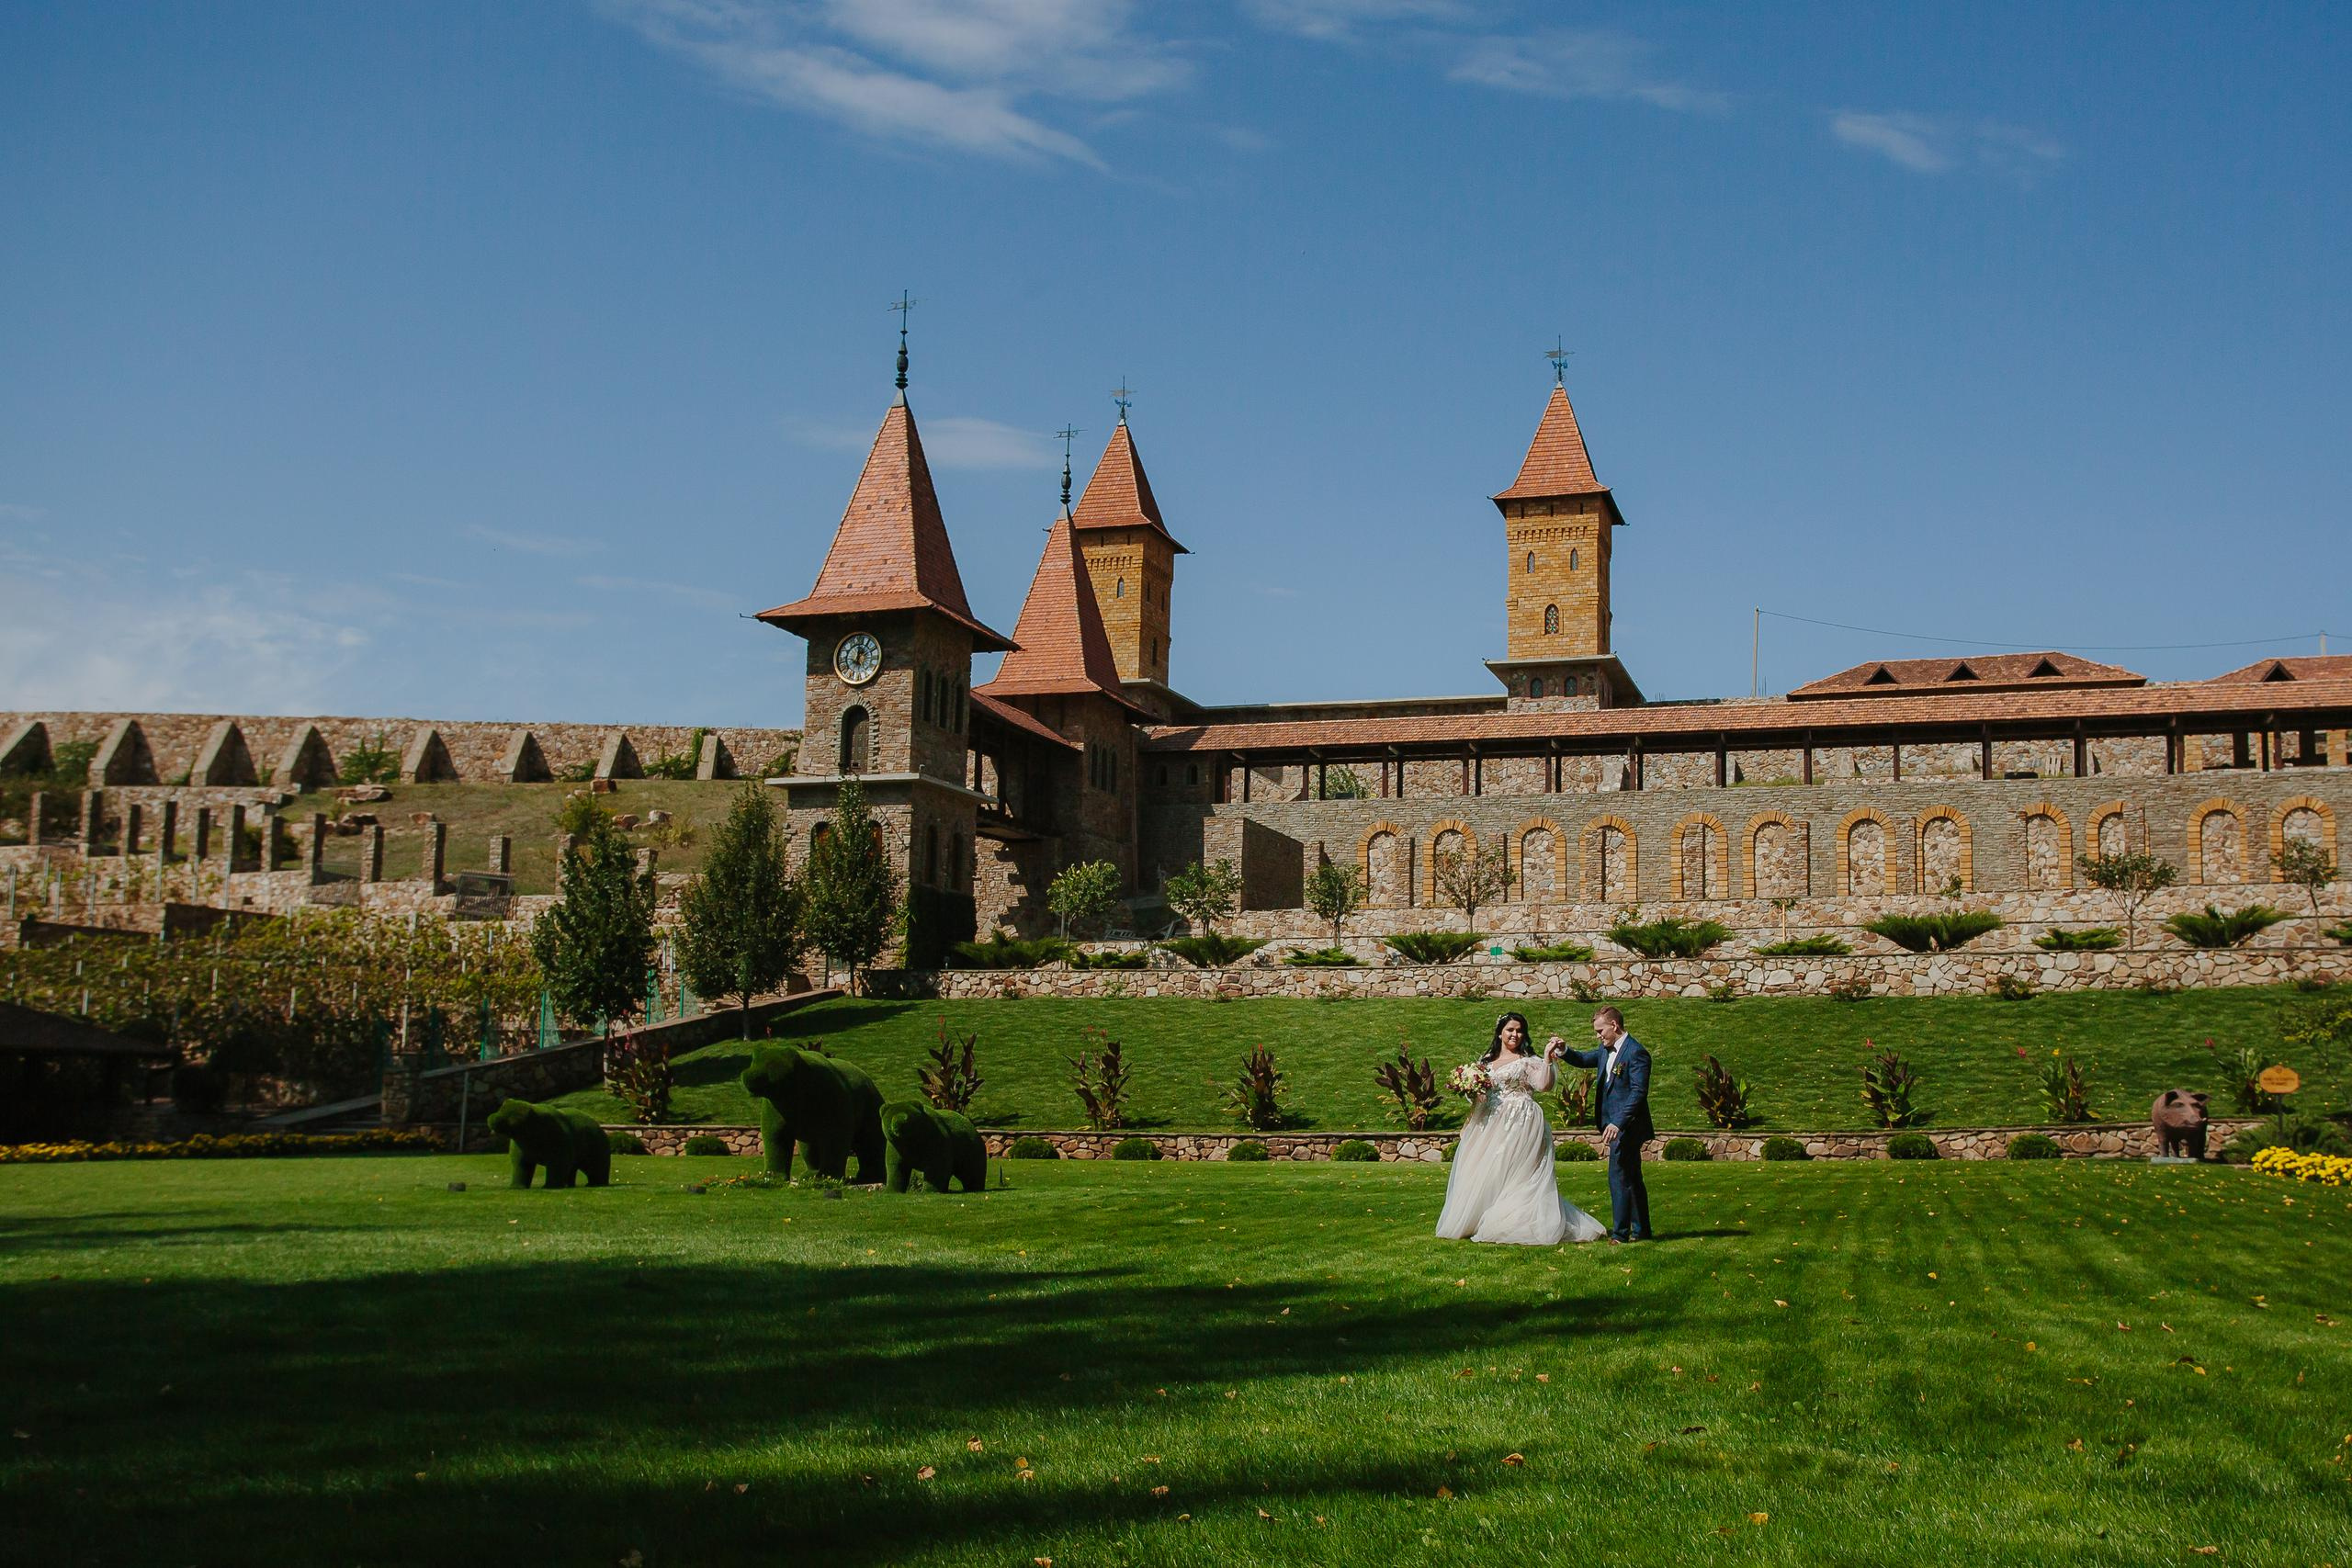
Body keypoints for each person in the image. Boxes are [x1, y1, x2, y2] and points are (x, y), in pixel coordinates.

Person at [1435, 1012, 1608, 1246]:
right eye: (1510, 1030)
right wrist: (1470, 1114)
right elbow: (1481, 1099)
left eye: (1519, 1030)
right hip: (1491, 1121)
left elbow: (1544, 1086)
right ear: (1500, 1033)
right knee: (1491, 1168)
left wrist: (1547, 1058)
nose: (1515, 1034)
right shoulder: (1485, 1062)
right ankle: (1480, 1217)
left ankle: (1514, 1220)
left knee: (1518, 1171)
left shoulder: (1529, 1060)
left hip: (1521, 1120)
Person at [1548, 1006, 1653, 1242]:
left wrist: (1617, 1123)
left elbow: (1638, 1093)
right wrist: (1565, 1051)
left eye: (1600, 1031)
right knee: (1632, 1177)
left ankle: (1620, 1234)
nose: (1598, 1035)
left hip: (1627, 1126)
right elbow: (1585, 1059)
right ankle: (1642, 1230)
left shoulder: (1636, 1053)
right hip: (1614, 1125)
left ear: (1614, 1026)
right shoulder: (1606, 1050)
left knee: (1618, 1176)